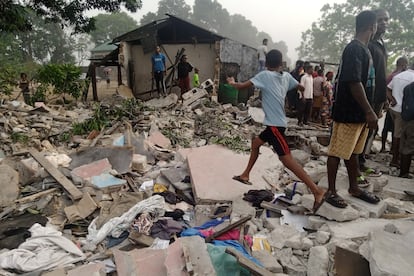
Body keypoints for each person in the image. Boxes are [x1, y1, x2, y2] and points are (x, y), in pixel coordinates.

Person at [227, 49, 326, 213]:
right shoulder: (286, 76)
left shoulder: (264, 76)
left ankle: (316, 191)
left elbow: (241, 86)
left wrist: (231, 82)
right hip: (274, 125)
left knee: (287, 161)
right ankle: (245, 174)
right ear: (280, 63)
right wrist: (299, 92)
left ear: (266, 63)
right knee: (256, 143)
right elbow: (300, 86)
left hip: (275, 126)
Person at [325, 10, 380, 209]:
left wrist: (369, 110)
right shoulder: (355, 49)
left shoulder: (364, 49)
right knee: (337, 151)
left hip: (359, 114)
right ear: (371, 27)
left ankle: (354, 187)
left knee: (353, 153)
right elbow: (354, 82)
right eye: (378, 24)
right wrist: (369, 111)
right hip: (349, 112)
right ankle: (330, 191)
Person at [358, 8, 390, 174]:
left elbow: (381, 73)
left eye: (386, 20)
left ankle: (361, 158)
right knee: (363, 128)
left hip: (378, 96)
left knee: (371, 129)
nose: (384, 23)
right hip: (368, 95)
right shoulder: (367, 45)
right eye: (380, 20)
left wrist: (384, 96)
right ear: (372, 23)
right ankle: (357, 161)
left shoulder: (381, 45)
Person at [387, 59, 414, 168]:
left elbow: (387, 89)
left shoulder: (400, 75)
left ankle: (396, 157)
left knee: (396, 133)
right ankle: (395, 159)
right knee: (400, 136)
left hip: (393, 108)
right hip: (403, 111)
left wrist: (392, 99)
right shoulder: (412, 78)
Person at [381, 56, 408, 152]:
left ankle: (384, 147)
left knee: (388, 127)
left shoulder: (392, 75)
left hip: (391, 106)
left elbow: (386, 89)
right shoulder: (398, 76)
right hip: (397, 107)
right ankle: (393, 152)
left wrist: (389, 101)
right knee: (396, 131)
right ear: (403, 64)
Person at [399, 82, 414, 178]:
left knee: (406, 145)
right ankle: (404, 174)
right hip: (412, 120)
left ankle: (403, 172)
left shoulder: (408, 87)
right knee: (409, 147)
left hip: (406, 119)